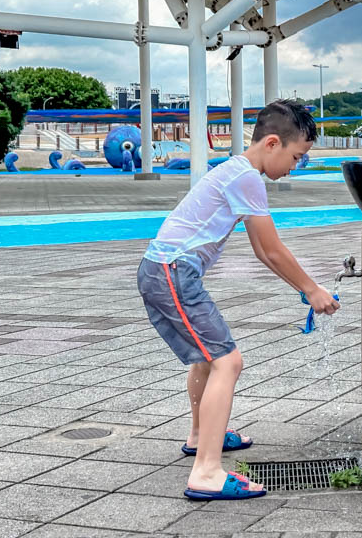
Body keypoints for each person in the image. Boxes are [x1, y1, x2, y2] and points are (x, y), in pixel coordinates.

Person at [136, 100, 338, 501]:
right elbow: (274, 250)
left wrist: (303, 289)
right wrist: (313, 289)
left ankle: (200, 436)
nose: (296, 166)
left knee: (206, 358)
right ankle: (207, 472)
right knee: (228, 361)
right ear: (272, 143)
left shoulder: (233, 170)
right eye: (296, 157)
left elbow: (263, 253)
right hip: (172, 272)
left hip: (163, 270)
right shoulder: (247, 178)